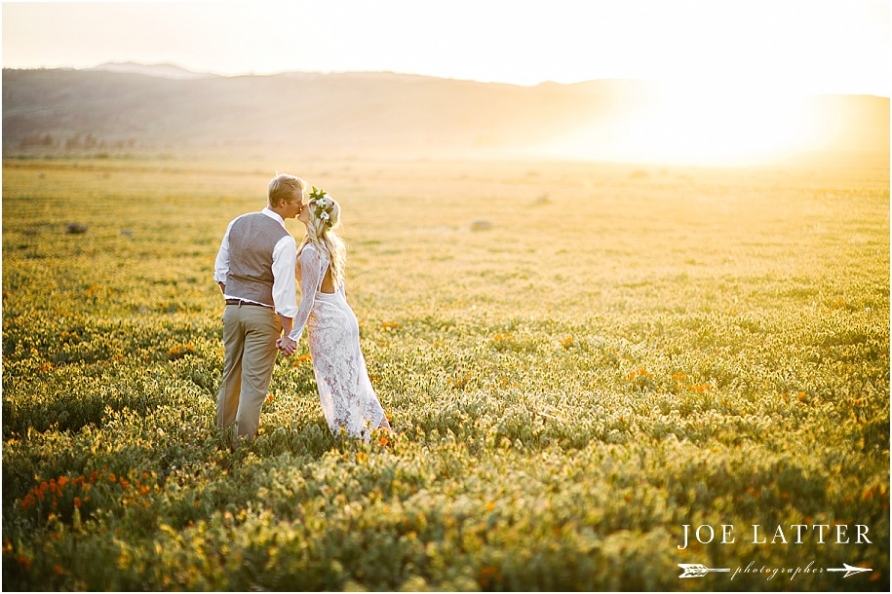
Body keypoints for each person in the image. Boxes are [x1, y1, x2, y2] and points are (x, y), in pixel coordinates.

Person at [277, 187, 392, 438]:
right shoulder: (328, 245)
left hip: (328, 322)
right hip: (342, 316)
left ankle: (354, 435)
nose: (302, 206)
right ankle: (377, 431)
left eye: (308, 205)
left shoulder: (311, 251)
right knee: (352, 380)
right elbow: (341, 291)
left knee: (337, 381)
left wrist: (292, 336)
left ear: (315, 216)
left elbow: (308, 299)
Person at [214, 174, 305, 444]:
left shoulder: (237, 223)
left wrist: (237, 297)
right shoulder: (284, 240)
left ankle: (219, 438)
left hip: (232, 311)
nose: (301, 206)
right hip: (263, 316)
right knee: (254, 385)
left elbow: (221, 272)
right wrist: (288, 332)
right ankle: (243, 444)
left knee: (230, 376)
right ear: (282, 202)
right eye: (297, 202)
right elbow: (283, 292)